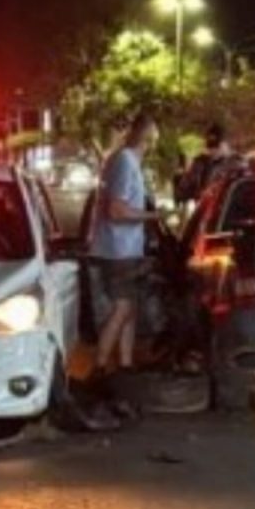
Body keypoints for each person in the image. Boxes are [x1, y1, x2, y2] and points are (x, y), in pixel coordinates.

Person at [90, 112, 162, 395]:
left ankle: (126, 364)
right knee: (122, 307)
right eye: (155, 135)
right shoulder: (124, 162)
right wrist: (153, 215)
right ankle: (99, 364)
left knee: (129, 307)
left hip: (126, 248)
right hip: (118, 250)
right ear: (148, 136)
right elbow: (117, 210)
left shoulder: (127, 162)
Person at [177, 123, 232, 204]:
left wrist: (182, 192)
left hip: (211, 205)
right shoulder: (230, 160)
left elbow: (188, 181)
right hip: (214, 205)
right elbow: (189, 181)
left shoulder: (202, 160)